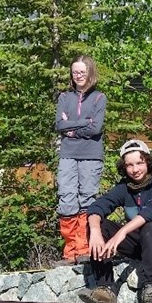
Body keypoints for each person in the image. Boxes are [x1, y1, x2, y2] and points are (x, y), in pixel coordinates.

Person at [80, 139, 152, 303]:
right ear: (124, 167)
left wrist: (122, 232)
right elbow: (97, 206)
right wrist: (96, 232)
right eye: (129, 165)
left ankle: (151, 286)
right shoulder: (124, 187)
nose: (135, 170)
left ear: (148, 162)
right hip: (140, 243)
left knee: (148, 225)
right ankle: (105, 288)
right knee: (100, 224)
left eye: (139, 163)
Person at [55, 54, 106, 263]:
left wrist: (73, 128)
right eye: (75, 72)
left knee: (87, 198)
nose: (78, 76)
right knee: (66, 198)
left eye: (82, 72)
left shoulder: (99, 98)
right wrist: (83, 122)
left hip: (91, 155)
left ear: (90, 73)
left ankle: (85, 249)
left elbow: (96, 128)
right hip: (67, 154)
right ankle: (70, 251)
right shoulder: (64, 98)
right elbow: (59, 125)